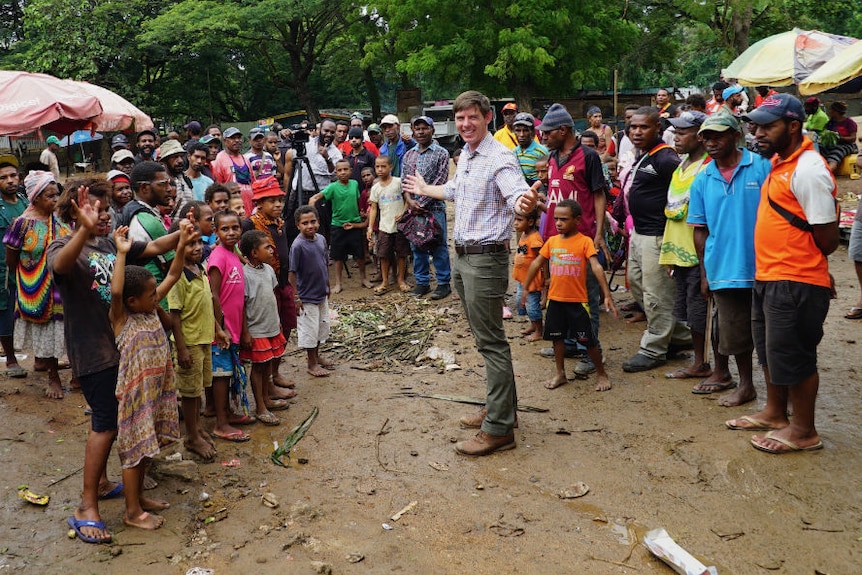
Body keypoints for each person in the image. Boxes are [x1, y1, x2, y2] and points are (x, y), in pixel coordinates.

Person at [403, 90, 538, 456]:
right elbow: (456, 190)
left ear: (487, 117)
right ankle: (501, 409)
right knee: (485, 339)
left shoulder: (500, 157)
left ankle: (499, 429)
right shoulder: (467, 156)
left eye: (472, 118)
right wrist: (424, 188)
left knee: (492, 342)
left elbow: (517, 195)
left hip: (485, 261)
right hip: (463, 258)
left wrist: (525, 201)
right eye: (460, 118)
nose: (465, 124)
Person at [49, 180, 182, 545]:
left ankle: (122, 490)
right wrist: (84, 230)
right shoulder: (64, 247)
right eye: (94, 208)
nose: (104, 215)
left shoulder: (110, 244)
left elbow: (154, 246)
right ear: (73, 212)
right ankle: (85, 506)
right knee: (105, 425)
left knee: (133, 423)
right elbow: (60, 267)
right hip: (95, 353)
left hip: (126, 352)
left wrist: (186, 232)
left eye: (106, 209)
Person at [734, 92, 838, 454]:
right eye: (756, 126)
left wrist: (813, 270)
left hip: (794, 279)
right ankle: (776, 412)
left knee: (794, 353)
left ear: (793, 126)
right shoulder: (780, 163)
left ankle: (804, 430)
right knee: (770, 349)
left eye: (768, 126)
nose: (757, 133)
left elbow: (826, 239)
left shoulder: (808, 169)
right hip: (770, 275)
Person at [110, 221, 191, 531]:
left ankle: (140, 498)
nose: (156, 296)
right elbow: (116, 290)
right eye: (150, 294)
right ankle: (132, 512)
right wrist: (121, 253)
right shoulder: (121, 318)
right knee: (133, 453)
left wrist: (182, 243)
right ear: (132, 301)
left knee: (147, 449)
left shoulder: (150, 309)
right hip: (135, 397)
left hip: (156, 393)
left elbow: (173, 273)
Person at [688, 112, 771, 406]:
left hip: (767, 264)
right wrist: (704, 271)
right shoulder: (703, 179)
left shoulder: (761, 167)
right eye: (706, 137)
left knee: (772, 333)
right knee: (734, 330)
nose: (711, 142)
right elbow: (700, 230)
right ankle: (746, 384)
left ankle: (780, 393)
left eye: (718, 135)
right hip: (725, 267)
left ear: (736, 136)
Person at [539, 103, 609, 377]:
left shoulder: (589, 156)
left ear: (563, 130)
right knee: (562, 293)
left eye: (547, 132)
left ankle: (590, 351)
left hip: (583, 239)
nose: (543, 137)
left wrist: (599, 232)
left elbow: (599, 194)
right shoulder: (552, 157)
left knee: (586, 298)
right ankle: (567, 343)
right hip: (557, 241)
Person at [521, 199, 618, 391]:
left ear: (578, 220)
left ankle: (601, 373)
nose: (558, 223)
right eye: (556, 219)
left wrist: (606, 294)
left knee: (588, 340)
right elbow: (536, 263)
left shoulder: (584, 241)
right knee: (557, 339)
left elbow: (596, 267)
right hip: (555, 300)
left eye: (563, 219)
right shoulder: (552, 241)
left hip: (578, 302)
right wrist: (526, 288)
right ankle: (560, 373)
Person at [622, 107, 690, 373]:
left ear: (658, 129)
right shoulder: (646, 156)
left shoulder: (665, 158)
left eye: (644, 127)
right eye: (634, 127)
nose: (637, 131)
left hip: (657, 236)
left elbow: (684, 190)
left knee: (656, 294)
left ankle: (654, 349)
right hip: (639, 234)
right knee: (638, 287)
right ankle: (678, 337)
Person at [655, 111, 714, 385]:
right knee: (689, 311)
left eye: (683, 133)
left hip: (698, 255)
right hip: (680, 253)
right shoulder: (682, 166)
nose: (676, 138)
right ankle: (699, 361)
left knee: (700, 311)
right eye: (675, 132)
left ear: (700, 136)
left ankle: (703, 363)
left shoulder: (707, 169)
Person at [4, 171, 72, 398]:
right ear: (35, 197)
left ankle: (64, 369)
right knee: (47, 329)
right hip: (36, 286)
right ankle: (53, 377)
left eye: (56, 195)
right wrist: (30, 277)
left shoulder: (60, 219)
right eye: (50, 196)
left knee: (62, 330)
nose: (55, 200)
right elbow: (11, 260)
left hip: (62, 285)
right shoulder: (21, 224)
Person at [242, 176, 298, 394]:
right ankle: (268, 384)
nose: (277, 205)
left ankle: (276, 372)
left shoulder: (280, 222)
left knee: (286, 327)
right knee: (270, 331)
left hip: (281, 283)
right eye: (270, 201)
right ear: (259, 203)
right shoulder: (250, 224)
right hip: (264, 285)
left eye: (279, 200)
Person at [168, 230, 218, 461]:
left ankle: (196, 428)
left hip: (204, 338)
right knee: (189, 392)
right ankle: (191, 436)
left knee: (198, 388)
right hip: (189, 342)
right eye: (191, 244)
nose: (197, 248)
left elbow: (206, 303)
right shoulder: (178, 276)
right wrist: (182, 348)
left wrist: (218, 329)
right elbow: (175, 315)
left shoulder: (201, 269)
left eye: (199, 243)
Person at [208, 210, 255, 442]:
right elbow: (213, 295)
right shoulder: (218, 257)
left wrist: (243, 329)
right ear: (215, 231)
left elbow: (239, 297)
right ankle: (221, 423)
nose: (231, 232)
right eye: (224, 229)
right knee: (221, 376)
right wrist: (220, 327)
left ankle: (227, 413)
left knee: (229, 372)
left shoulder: (233, 254)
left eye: (235, 228)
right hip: (222, 331)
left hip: (234, 327)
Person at [239, 230, 289, 426]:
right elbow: (243, 306)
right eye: (266, 247)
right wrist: (246, 331)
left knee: (269, 362)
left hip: (271, 325)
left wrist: (277, 320)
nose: (271, 249)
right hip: (256, 328)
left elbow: (272, 295)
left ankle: (267, 398)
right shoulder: (245, 275)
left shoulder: (268, 269)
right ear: (253, 252)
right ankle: (260, 407)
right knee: (258, 368)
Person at [401, 115, 452, 299]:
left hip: (435, 208)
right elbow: (405, 182)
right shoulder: (409, 154)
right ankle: (422, 283)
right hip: (414, 208)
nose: (421, 132)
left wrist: (421, 204)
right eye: (417, 128)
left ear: (432, 130)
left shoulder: (441, 153)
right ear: (412, 131)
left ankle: (444, 283)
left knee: (438, 245)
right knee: (417, 246)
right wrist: (411, 202)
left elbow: (441, 181)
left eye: (425, 128)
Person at [309, 159, 371, 293]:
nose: (343, 172)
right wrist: (311, 214)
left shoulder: (354, 184)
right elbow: (314, 198)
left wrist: (362, 213)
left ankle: (363, 278)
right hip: (338, 226)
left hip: (354, 224)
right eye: (339, 170)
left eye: (345, 169)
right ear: (335, 172)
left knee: (359, 255)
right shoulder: (332, 187)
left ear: (350, 170)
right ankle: (338, 283)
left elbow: (357, 200)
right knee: (338, 257)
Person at [289, 205, 336, 378]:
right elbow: (292, 273)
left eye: (313, 222)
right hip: (306, 296)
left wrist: (328, 284)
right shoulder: (298, 246)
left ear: (318, 221)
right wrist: (295, 297)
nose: (310, 226)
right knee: (309, 330)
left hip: (321, 292)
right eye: (305, 223)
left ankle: (317, 357)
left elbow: (324, 263)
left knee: (320, 327)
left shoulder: (322, 239)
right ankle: (311, 363)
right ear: (297, 225)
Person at [284, 118, 342, 243]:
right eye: (326, 131)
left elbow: (335, 175)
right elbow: (291, 151)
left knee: (317, 230)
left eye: (332, 132)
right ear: (320, 130)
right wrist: (286, 134)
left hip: (318, 196)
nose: (329, 134)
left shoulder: (336, 153)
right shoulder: (307, 142)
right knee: (291, 228)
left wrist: (327, 158)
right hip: (297, 192)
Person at [121, 162, 173, 286]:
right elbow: (172, 264)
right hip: (158, 294)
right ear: (144, 188)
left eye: (168, 183)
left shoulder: (129, 209)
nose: (169, 189)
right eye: (163, 184)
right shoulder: (147, 220)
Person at [0, 156, 27, 378]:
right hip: (3, 272)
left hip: (28, 269)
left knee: (34, 311)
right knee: (5, 312)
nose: (10, 180)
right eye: (3, 177)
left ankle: (41, 359)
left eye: (13, 176)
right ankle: (10, 358)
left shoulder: (26, 202)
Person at [367, 155, 410, 295]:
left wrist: (403, 212)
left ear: (390, 167)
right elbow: (373, 208)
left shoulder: (398, 182)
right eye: (377, 166)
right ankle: (385, 281)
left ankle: (400, 280)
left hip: (400, 225)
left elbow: (408, 199)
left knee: (401, 254)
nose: (380, 169)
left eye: (383, 166)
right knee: (384, 255)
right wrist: (370, 227)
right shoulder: (375, 188)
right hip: (384, 226)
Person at [512, 208, 544, 342]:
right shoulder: (524, 235)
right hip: (522, 278)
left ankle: (539, 331)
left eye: (519, 220)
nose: (515, 223)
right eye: (515, 219)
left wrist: (546, 280)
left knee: (532, 306)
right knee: (522, 302)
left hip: (531, 280)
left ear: (530, 221)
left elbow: (542, 260)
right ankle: (533, 325)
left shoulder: (535, 240)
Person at [212, 127, 255, 216]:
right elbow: (218, 187)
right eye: (232, 138)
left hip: (249, 207)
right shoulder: (220, 159)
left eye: (239, 138)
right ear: (225, 141)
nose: (237, 140)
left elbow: (253, 183)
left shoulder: (245, 159)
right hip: (233, 210)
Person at [820, 101, 858, 174]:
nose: (829, 112)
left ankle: (827, 173)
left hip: (847, 145)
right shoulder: (831, 122)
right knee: (820, 149)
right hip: (834, 144)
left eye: (831, 110)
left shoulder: (849, 122)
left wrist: (840, 138)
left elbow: (853, 138)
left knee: (836, 153)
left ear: (836, 112)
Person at [512, 112, 548, 185]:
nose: (521, 135)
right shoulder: (514, 152)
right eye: (518, 131)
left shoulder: (541, 151)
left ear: (532, 131)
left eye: (525, 130)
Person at [159, 139, 193, 215]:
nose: (180, 160)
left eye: (181, 156)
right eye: (175, 157)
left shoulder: (185, 179)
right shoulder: (160, 184)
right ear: (165, 161)